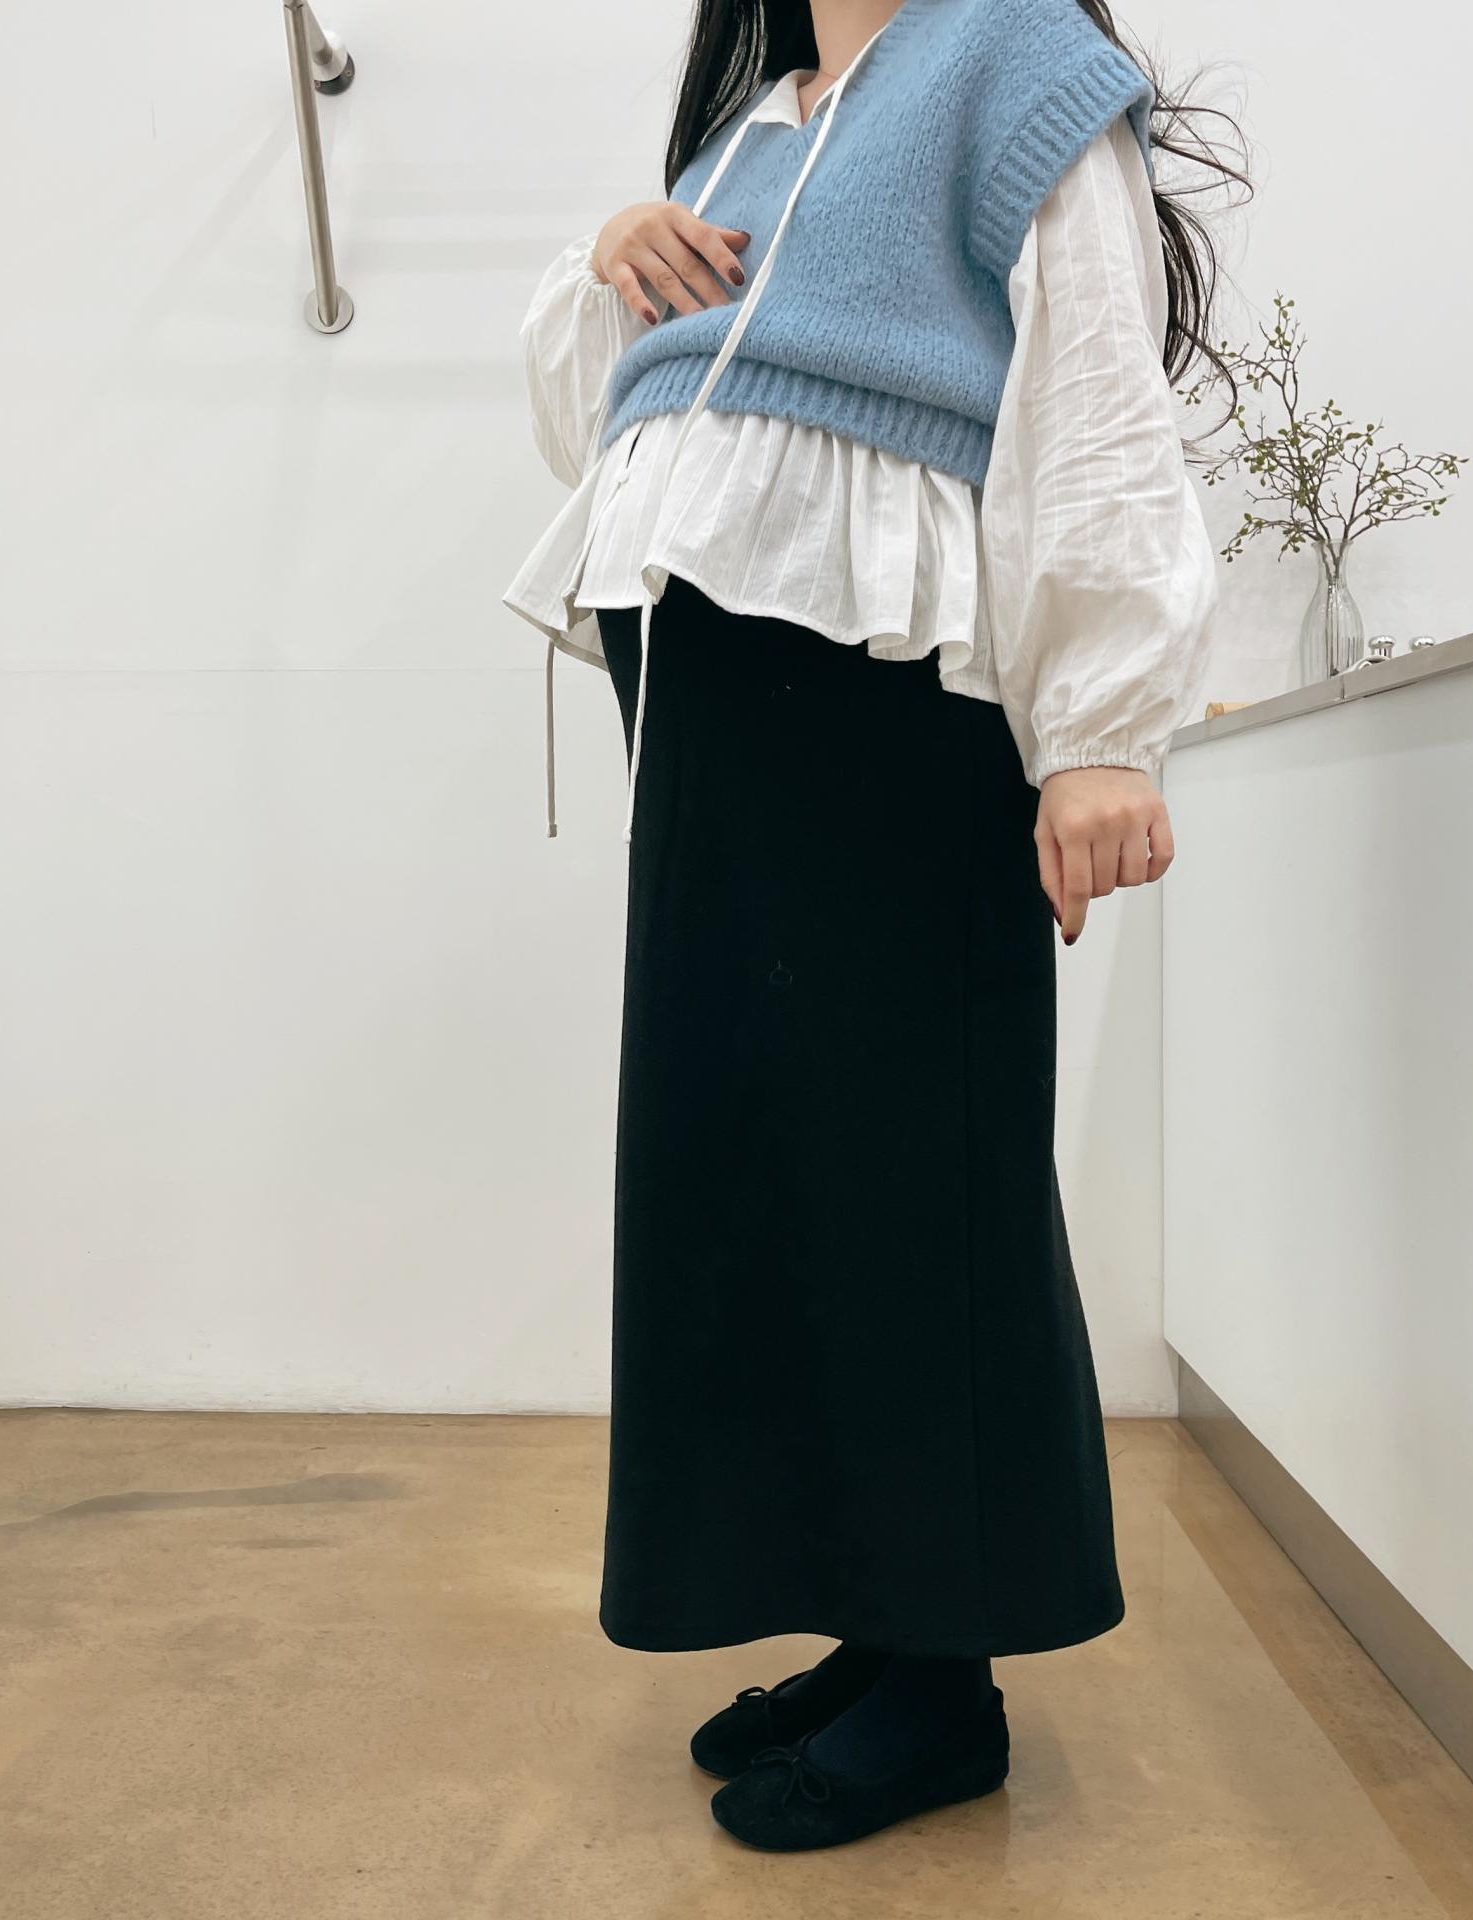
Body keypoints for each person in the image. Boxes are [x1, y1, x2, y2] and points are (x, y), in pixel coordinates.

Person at [503, 0, 1232, 1853]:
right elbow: (596, 419)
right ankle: (880, 1615)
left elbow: (1094, 381)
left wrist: (1102, 728)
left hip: (886, 695)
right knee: (763, 1167)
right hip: (718, 689)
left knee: (914, 1169)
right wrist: (608, 256)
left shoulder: (1007, 58)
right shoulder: (756, 121)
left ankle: (946, 1681)